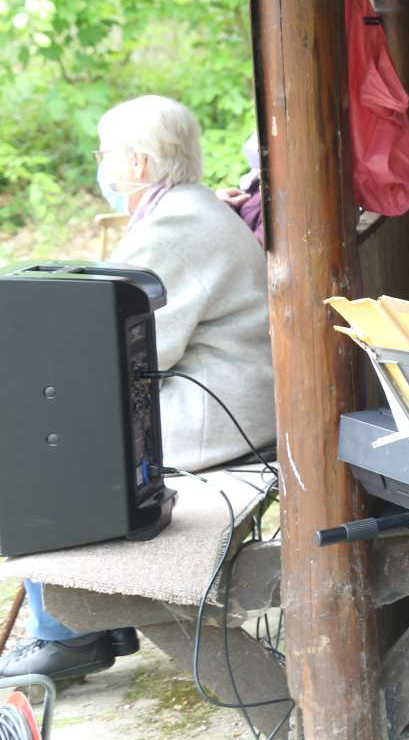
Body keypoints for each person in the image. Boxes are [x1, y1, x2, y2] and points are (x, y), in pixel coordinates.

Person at [0, 96, 276, 682]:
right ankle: (88, 620)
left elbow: (133, 351)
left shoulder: (176, 228)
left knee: (47, 447)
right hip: (232, 401)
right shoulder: (189, 210)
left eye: (106, 155)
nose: (102, 167)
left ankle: (70, 632)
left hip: (220, 417)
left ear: (139, 164)